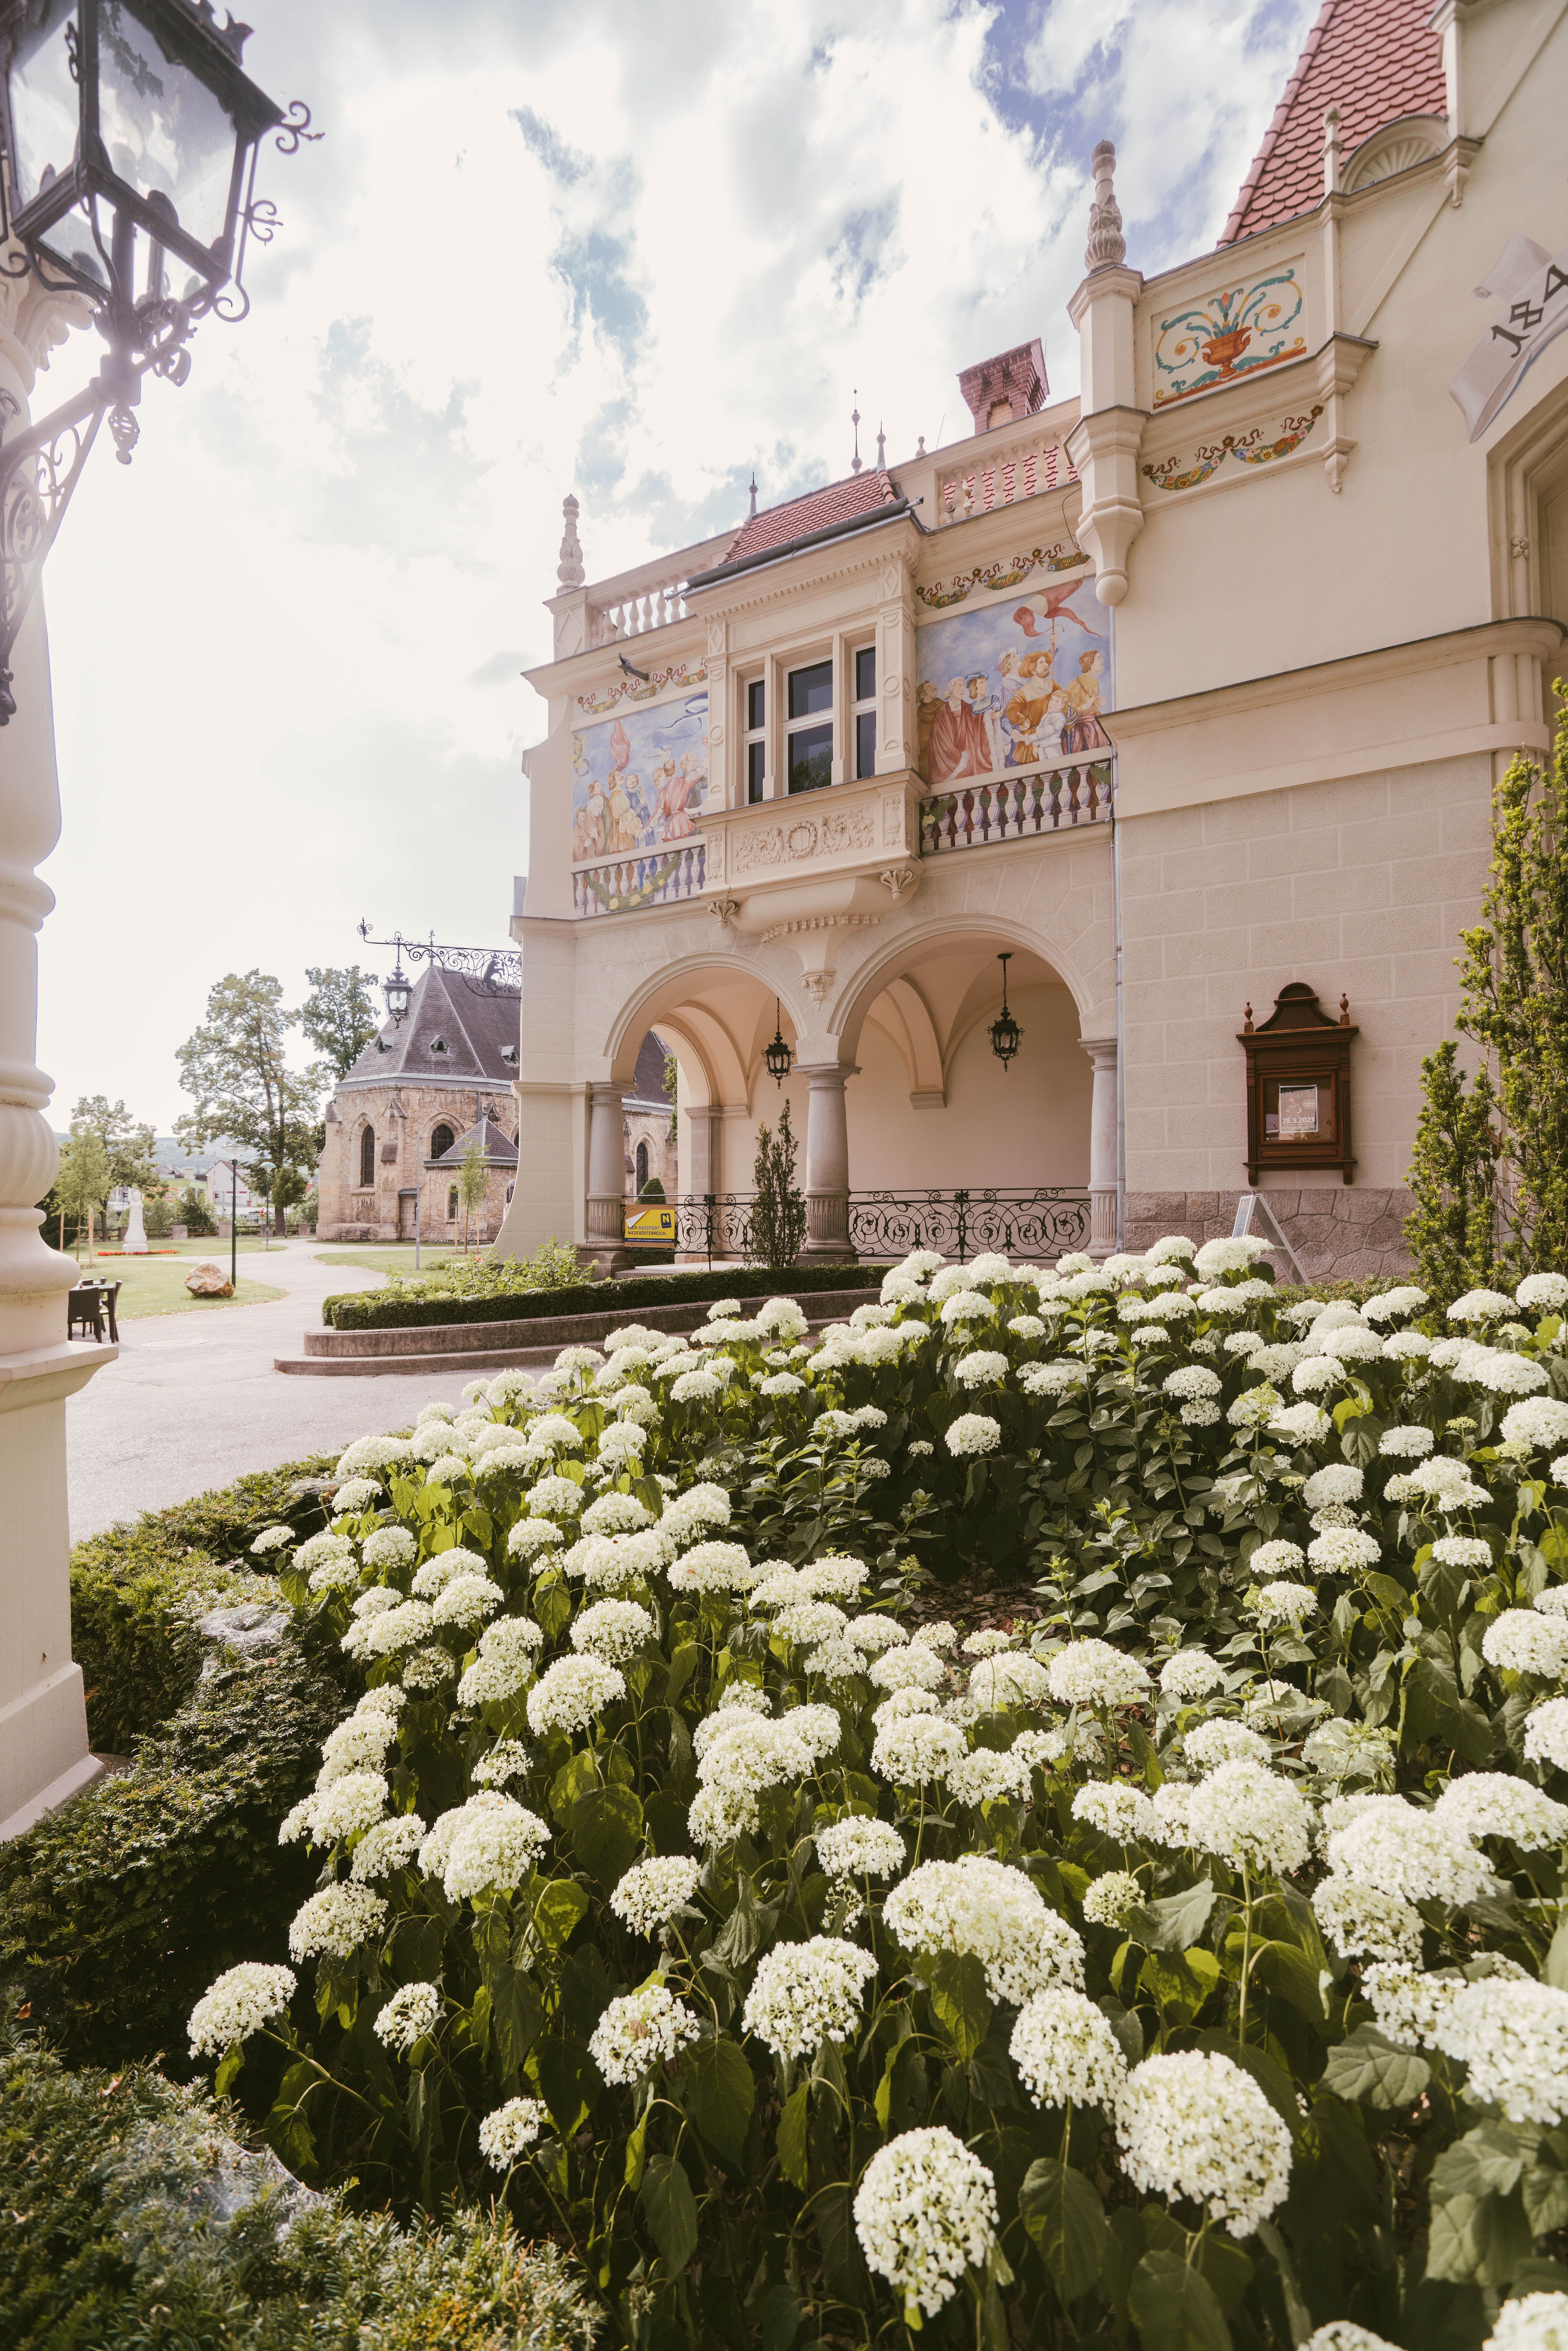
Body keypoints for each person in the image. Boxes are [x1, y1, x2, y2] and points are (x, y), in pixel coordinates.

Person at [1062, 649, 1110, 752]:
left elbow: (1089, 705)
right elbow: (1068, 711)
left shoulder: (1093, 682)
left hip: (1092, 726)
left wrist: (1099, 704)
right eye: (1099, 658)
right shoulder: (1077, 684)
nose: (1102, 660)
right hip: (1084, 730)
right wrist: (1087, 706)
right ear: (1091, 662)